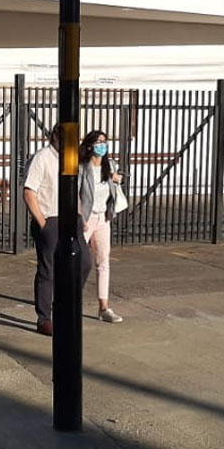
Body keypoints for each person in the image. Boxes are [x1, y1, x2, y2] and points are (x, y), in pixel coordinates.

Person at [23, 124, 92, 336]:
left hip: (72, 218)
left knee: (84, 263)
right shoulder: (42, 158)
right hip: (51, 218)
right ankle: (44, 318)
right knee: (49, 270)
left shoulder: (70, 159)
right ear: (54, 137)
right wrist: (42, 222)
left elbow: (75, 188)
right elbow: (29, 191)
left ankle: (66, 304)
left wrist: (81, 216)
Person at [79, 131, 124, 323]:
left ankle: (103, 307)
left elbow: (113, 191)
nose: (102, 146)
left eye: (105, 142)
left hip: (103, 218)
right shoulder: (82, 168)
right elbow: (77, 193)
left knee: (103, 262)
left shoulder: (111, 166)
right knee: (79, 262)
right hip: (86, 219)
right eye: (99, 142)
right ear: (89, 145)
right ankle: (69, 299)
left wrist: (116, 180)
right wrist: (79, 216)